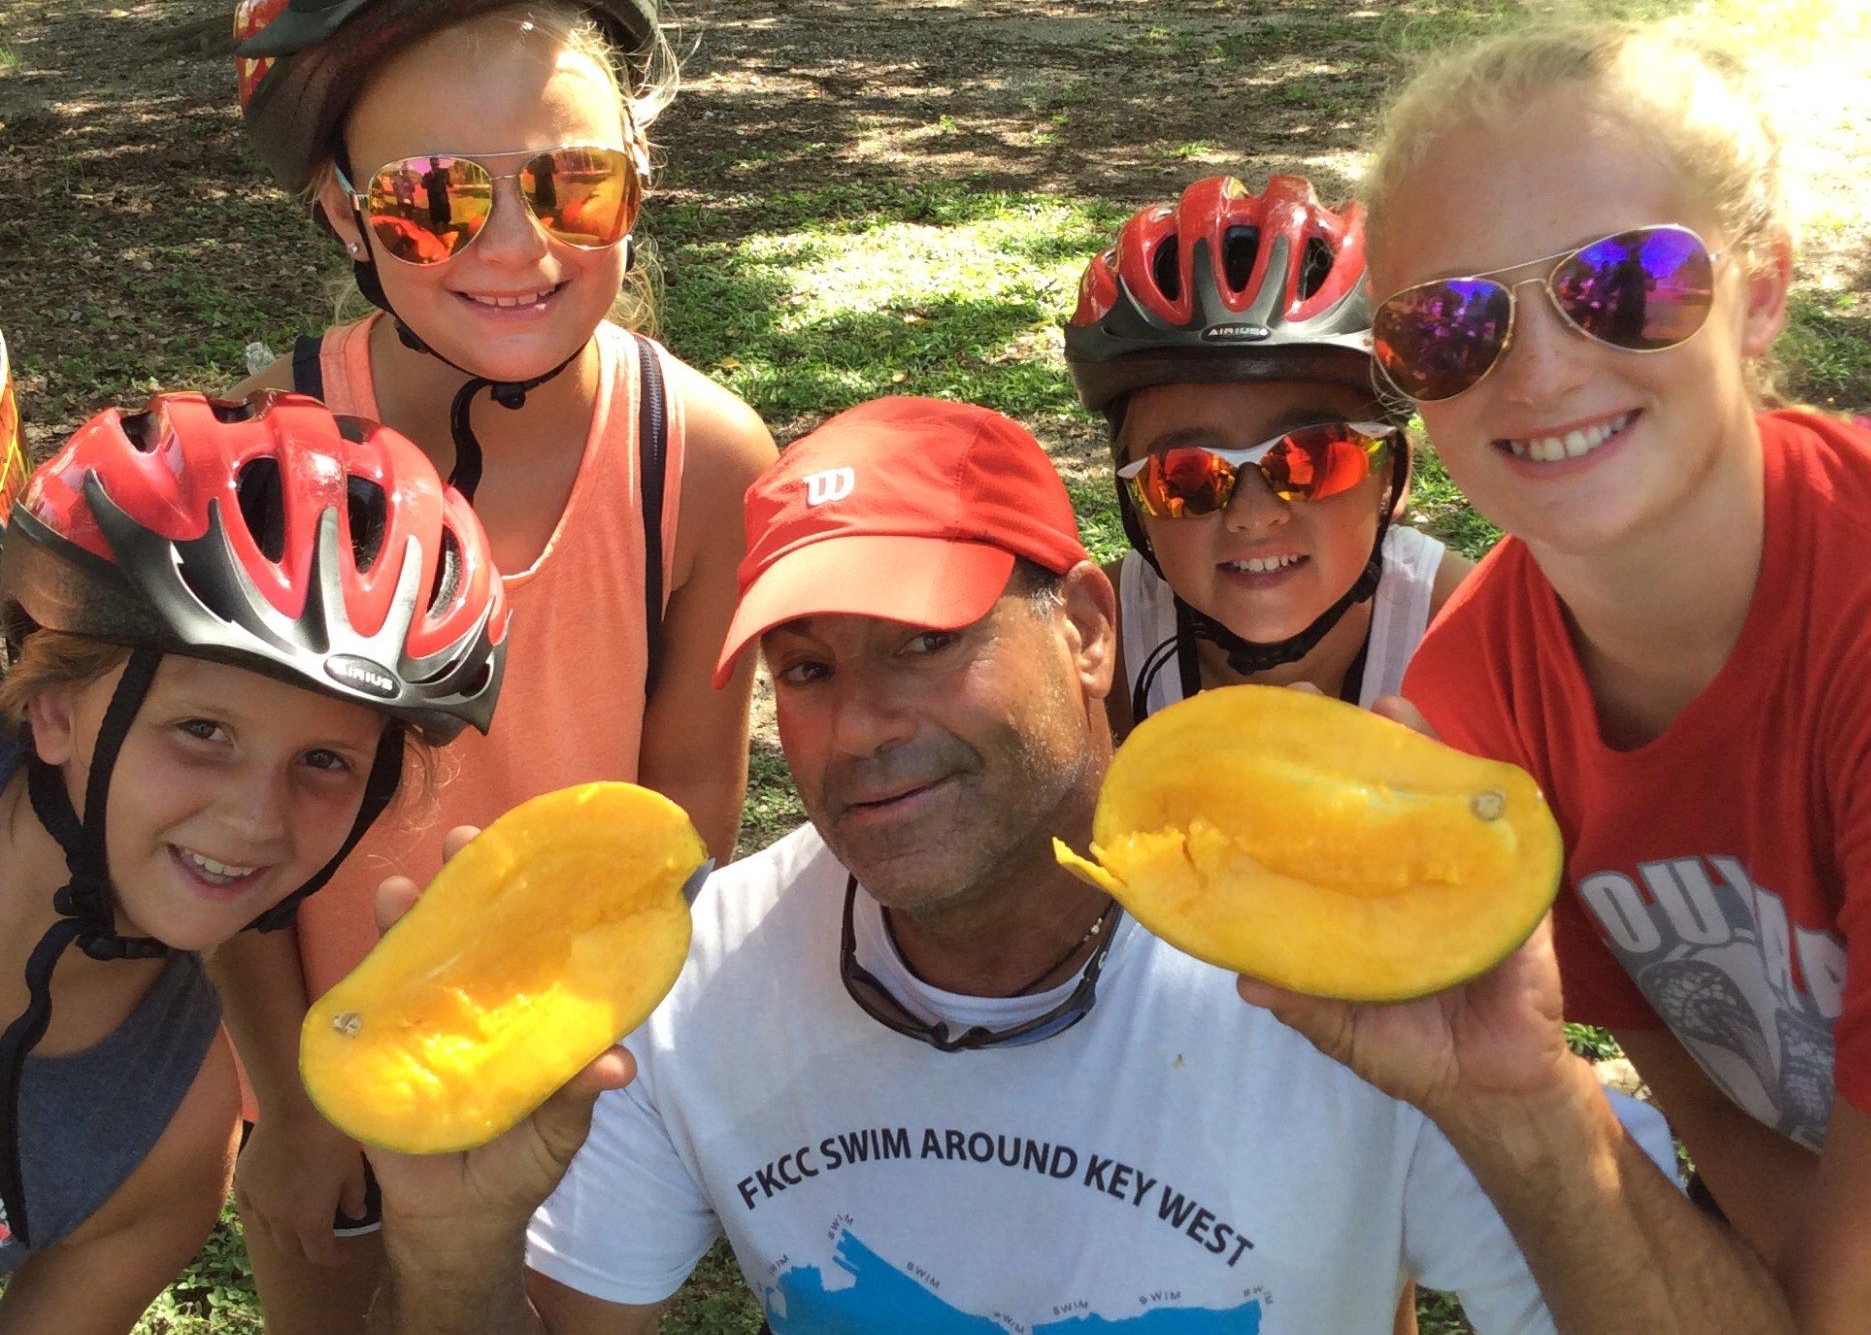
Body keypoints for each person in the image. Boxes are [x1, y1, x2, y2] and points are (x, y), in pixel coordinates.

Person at [352, 396, 1795, 1333]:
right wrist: (451, 1250)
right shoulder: (689, 984)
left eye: (927, 643)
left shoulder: (1340, 969)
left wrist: (1527, 1117)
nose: (860, 728)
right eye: (806, 668)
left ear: (1089, 630)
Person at [222, 0, 775, 1327]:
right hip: (329, 1066)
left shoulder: (700, 461)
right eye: (433, 201)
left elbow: (681, 822)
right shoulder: (273, 452)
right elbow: (234, 834)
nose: (516, 249)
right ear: (343, 214)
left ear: (638, 182)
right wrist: (291, 1104)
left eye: (574, 183)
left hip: (581, 1066)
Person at [1371, 22, 1871, 1327]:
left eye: (1622, 282)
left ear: (1759, 292)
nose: (1538, 372)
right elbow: (1703, 1099)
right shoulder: (1475, 708)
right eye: (1449, 326)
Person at [0, 390, 507, 1332]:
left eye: (325, 761)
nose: (255, 821)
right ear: (53, 710)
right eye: (202, 730)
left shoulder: (165, 1142)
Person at [1063, 173, 1471, 739]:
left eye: (1314, 459)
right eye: (1186, 477)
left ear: (1392, 479)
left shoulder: (1476, 643)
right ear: (1135, 504)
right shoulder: (1094, 653)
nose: (1253, 515)